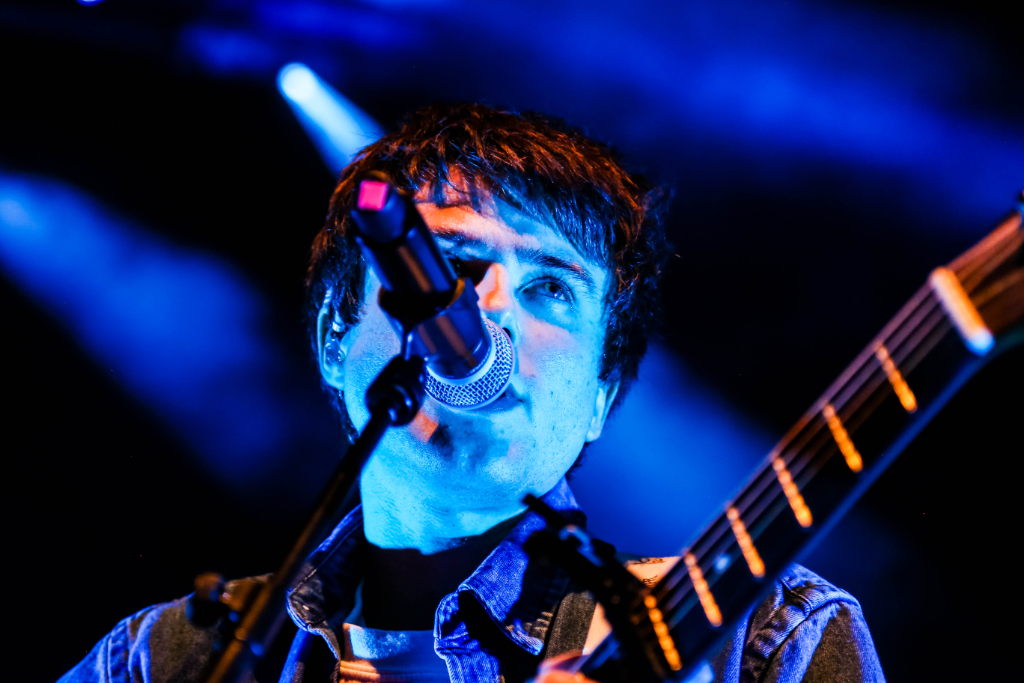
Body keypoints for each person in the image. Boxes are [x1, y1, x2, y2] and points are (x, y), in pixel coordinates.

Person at [60, 103, 884, 683]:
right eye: (449, 267)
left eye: (551, 289)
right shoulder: (166, 657)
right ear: (336, 335)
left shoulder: (757, 639)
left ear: (601, 397)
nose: (488, 312)